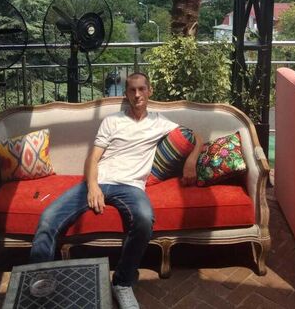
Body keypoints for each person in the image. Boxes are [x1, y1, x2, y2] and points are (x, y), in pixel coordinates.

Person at [30, 72, 202, 309]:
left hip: (131, 186)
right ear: (126, 94)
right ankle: (40, 285)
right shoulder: (112, 121)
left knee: (144, 219)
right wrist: (92, 187)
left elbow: (196, 136)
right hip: (100, 180)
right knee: (48, 218)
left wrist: (191, 161)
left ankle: (122, 282)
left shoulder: (159, 122)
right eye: (132, 90)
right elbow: (93, 158)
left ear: (149, 91)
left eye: (142, 89)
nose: (137, 94)